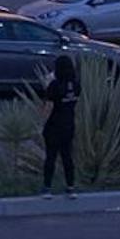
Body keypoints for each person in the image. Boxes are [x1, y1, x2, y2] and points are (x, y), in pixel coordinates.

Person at [39, 53, 80, 198]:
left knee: (51, 157)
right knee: (67, 156)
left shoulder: (54, 86)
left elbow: (49, 106)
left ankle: (47, 188)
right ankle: (70, 187)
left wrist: (41, 123)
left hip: (54, 125)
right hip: (69, 124)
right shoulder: (76, 85)